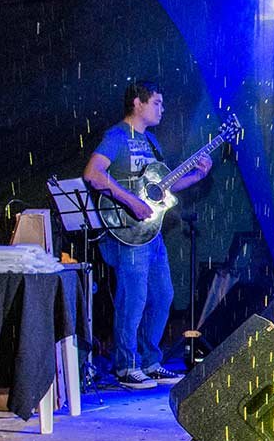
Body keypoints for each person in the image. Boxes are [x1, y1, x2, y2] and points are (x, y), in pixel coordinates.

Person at [83, 80, 211, 390]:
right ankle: (126, 366)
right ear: (137, 103)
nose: (162, 109)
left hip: (151, 232)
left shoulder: (151, 141)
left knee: (163, 295)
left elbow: (162, 188)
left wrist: (197, 175)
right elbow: (93, 174)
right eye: (156, 102)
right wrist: (131, 201)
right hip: (127, 231)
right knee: (133, 298)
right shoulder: (116, 137)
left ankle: (150, 362)